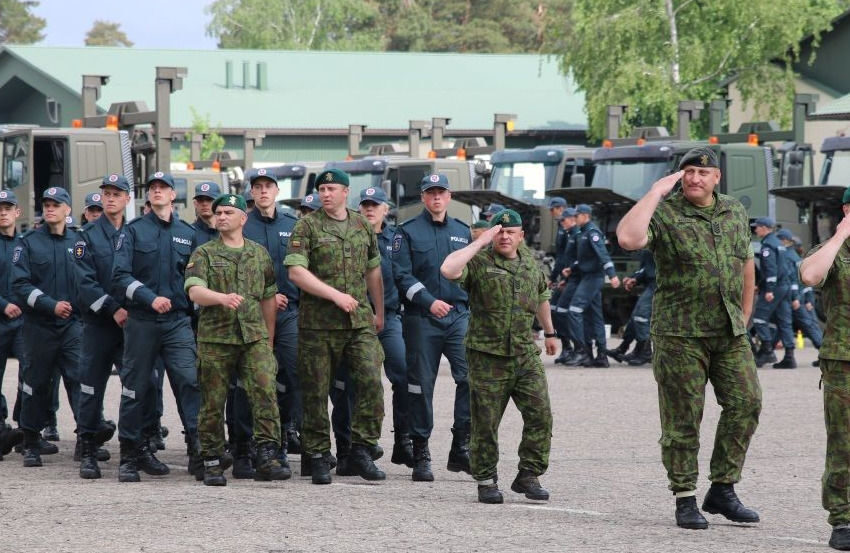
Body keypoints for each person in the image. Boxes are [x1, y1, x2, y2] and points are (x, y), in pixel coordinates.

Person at [617, 146, 761, 530]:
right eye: (688, 172)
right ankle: (685, 497)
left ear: (717, 177)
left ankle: (723, 488)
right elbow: (629, 239)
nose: (694, 178)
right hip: (679, 333)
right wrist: (654, 193)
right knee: (683, 418)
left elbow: (745, 261)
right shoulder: (664, 212)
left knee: (747, 403)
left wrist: (745, 313)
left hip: (728, 330)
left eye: (702, 172)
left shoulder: (733, 210)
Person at [441, 209, 557, 504]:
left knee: (541, 415)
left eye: (510, 232)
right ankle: (486, 479)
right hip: (487, 355)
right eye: (499, 232)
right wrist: (480, 242)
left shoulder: (531, 263)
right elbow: (448, 270)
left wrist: (550, 332)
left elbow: (542, 296)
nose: (504, 236)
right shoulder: (479, 262)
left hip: (524, 353)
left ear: (521, 236)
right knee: (486, 422)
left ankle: (528, 474)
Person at [284, 168, 386, 485]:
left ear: (345, 191)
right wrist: (335, 295)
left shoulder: (361, 225)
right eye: (322, 189)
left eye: (332, 188)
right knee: (315, 393)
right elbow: (296, 273)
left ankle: (361, 449)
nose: (326, 194)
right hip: (318, 324)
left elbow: (373, 271)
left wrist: (378, 310)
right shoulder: (307, 226)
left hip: (358, 323)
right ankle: (316, 455)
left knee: (371, 381)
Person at [185, 193, 290, 486]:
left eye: (228, 212)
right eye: (218, 212)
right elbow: (194, 291)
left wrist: (268, 341)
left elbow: (269, 298)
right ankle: (212, 460)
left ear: (243, 219)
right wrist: (220, 298)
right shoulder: (203, 253)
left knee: (265, 394)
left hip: (254, 337)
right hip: (216, 339)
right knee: (212, 402)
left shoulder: (259, 254)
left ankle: (267, 455)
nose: (221, 216)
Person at [112, 172, 203, 482]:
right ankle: (130, 454)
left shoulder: (187, 233)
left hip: (177, 322)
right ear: (147, 196)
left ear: (173, 195)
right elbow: (120, 276)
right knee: (135, 387)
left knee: (189, 382)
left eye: (163, 188)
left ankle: (198, 449)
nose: (157, 192)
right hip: (142, 321)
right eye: (152, 188)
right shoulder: (134, 231)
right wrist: (150, 299)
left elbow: (195, 278)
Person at [393, 173, 472, 481]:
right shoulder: (408, 231)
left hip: (458, 317)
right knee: (420, 386)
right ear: (423, 198)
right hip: (423, 318)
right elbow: (401, 274)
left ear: (449, 197)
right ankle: (421, 451)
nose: (436, 198)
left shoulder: (462, 231)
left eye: (441, 192)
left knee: (470, 378)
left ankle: (461, 446)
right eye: (431, 193)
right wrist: (428, 302)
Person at [330, 186, 413, 474]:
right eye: (364, 204)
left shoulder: (397, 239)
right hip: (351, 319)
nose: (369, 209)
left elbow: (405, 275)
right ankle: (348, 449)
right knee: (347, 386)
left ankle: (403, 440)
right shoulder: (347, 234)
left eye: (374, 205)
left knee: (402, 375)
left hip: (387, 319)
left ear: (385, 209)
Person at [75, 174, 151, 480]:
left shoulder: (136, 233)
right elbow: (84, 283)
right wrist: (113, 308)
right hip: (99, 324)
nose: (110, 198)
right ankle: (89, 449)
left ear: (127, 199)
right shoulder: (88, 235)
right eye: (106, 194)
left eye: (116, 194)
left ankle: (135, 450)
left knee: (136, 388)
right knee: (91, 387)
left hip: (132, 325)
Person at [11, 187, 82, 467]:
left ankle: (85, 439)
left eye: (57, 204)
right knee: (36, 383)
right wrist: (49, 304)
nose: (50, 208)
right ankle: (30, 441)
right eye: (47, 204)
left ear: (68, 210)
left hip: (72, 326)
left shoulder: (79, 241)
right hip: (39, 326)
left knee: (79, 381)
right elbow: (20, 285)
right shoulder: (28, 243)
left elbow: (87, 278)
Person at [799, 193, 850, 550]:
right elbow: (810, 276)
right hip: (844, 360)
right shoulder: (832, 252)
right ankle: (843, 519)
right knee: (844, 443)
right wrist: (840, 236)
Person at [243, 168, 302, 472]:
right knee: (257, 379)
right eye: (258, 187)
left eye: (268, 186)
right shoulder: (242, 224)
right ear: (251, 193)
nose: (263, 191)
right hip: (252, 314)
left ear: (277, 191)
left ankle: (282, 436)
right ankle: (255, 443)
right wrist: (266, 297)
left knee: (292, 376)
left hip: (289, 313)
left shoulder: (294, 225)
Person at [567, 204, 620, 367]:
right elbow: (585, 258)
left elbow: (602, 254)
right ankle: (600, 355)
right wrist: (572, 268)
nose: (574, 219)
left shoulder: (592, 233)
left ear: (585, 216)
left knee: (574, 310)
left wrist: (612, 275)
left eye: (577, 216)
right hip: (587, 277)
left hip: (593, 278)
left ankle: (582, 351)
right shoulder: (583, 233)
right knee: (594, 316)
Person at [751, 217, 796, 369]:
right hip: (784, 286)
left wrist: (768, 289)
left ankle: (767, 352)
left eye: (757, 227)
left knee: (759, 319)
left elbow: (771, 269)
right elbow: (783, 268)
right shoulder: (779, 244)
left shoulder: (768, 245)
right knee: (784, 321)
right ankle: (789, 356)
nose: (755, 230)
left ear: (765, 228)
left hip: (775, 287)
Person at [0, 190, 25, 460]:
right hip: (1, 317)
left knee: (29, 376)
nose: (3, 212)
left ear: (17, 212)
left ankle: (25, 430)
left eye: (8, 208)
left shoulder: (27, 244)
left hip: (22, 321)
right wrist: (3, 305)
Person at [777, 228, 822, 367]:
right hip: (801, 298)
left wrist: (798, 298)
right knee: (807, 325)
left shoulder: (787, 257)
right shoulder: (798, 259)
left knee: (804, 326)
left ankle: (823, 354)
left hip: (794, 298)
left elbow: (794, 281)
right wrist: (809, 299)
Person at [608, 250, 656, 366]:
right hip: (652, 283)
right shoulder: (648, 244)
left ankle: (645, 352)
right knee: (636, 317)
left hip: (658, 284)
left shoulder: (655, 240)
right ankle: (625, 348)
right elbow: (647, 268)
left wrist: (635, 278)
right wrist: (634, 278)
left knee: (641, 316)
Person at [552, 208, 578, 363]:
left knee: (564, 312)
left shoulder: (577, 235)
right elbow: (561, 258)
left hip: (574, 280)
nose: (561, 223)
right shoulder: (567, 234)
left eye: (563, 220)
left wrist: (565, 279)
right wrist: (555, 277)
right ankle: (566, 347)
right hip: (565, 278)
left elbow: (577, 260)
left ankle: (575, 349)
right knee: (554, 309)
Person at [191, 181, 221, 247]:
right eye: (200, 200)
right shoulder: (189, 232)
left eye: (209, 199)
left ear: (218, 203)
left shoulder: (226, 231)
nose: (204, 203)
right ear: (195, 204)